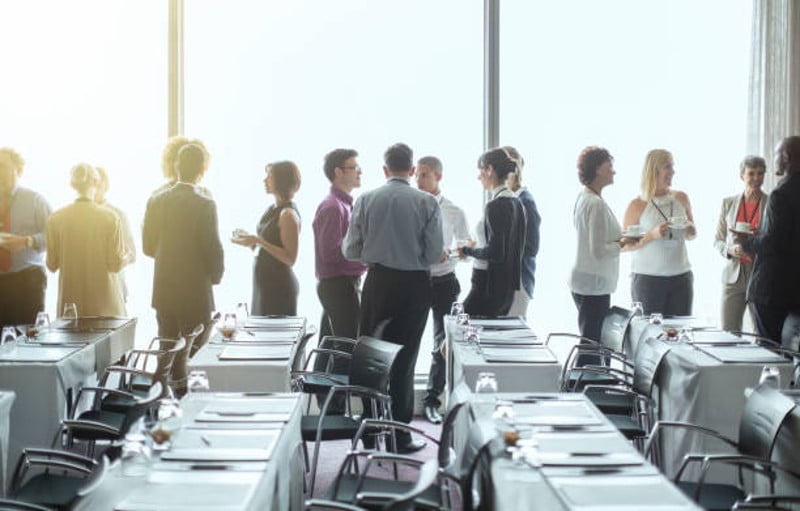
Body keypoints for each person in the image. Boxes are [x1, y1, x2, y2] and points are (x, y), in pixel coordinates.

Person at [343, 142, 443, 453]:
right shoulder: (427, 202)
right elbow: (434, 253)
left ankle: (370, 432)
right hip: (414, 286)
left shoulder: (366, 199)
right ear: (412, 170)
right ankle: (399, 437)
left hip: (378, 282)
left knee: (371, 359)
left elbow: (350, 250)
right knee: (405, 359)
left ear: (385, 170)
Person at [143, 143, 224, 396]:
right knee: (197, 355)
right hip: (195, 292)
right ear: (203, 169)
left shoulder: (156, 200)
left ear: (177, 166)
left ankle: (158, 404)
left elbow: (147, 247)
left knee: (166, 351)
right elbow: (213, 247)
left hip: (164, 289)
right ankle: (194, 404)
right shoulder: (204, 203)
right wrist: (216, 275)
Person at [415, 155, 469, 425]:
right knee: (408, 340)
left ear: (438, 177)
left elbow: (466, 250)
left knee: (441, 344)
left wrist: (450, 255)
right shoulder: (410, 206)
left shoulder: (454, 212)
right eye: (417, 174)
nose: (418, 179)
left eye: (424, 174)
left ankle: (432, 401)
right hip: (415, 281)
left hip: (444, 282)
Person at [569, 147, 636, 344]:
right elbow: (598, 251)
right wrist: (624, 242)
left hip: (585, 279)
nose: (614, 171)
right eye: (610, 166)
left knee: (591, 342)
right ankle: (585, 375)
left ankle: (586, 375)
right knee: (593, 345)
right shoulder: (595, 204)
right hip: (593, 284)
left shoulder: (584, 197)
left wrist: (620, 239)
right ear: (598, 169)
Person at [740, 136, 800, 342]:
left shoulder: (780, 194)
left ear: (785, 157)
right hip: (796, 291)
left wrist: (746, 242)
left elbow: (773, 242)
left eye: (776, 154)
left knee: (769, 352)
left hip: (773, 290)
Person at [46, 163, 126, 317]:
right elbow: (115, 265)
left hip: (70, 306)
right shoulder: (110, 217)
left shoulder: (56, 219)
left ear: (71, 184)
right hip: (105, 304)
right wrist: (127, 256)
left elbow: (51, 265)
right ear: (96, 183)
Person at [623, 149, 697, 316]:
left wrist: (690, 230)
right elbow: (623, 246)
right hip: (648, 280)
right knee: (649, 336)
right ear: (654, 170)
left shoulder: (682, 198)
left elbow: (692, 234)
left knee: (679, 335)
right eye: (668, 166)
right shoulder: (637, 205)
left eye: (672, 166)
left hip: (681, 277)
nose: (673, 171)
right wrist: (652, 235)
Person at [459, 148, 526, 317]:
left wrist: (466, 250)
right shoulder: (517, 203)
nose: (478, 177)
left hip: (486, 285)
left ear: (490, 170)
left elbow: (495, 252)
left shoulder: (495, 206)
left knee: (456, 326)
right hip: (507, 289)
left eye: (480, 171)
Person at [233, 161, 301, 316]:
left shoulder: (288, 214)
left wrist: (259, 241)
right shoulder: (272, 209)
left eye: (269, 176)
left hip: (278, 287)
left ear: (281, 180)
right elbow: (270, 243)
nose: (265, 180)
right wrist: (251, 241)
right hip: (265, 284)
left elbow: (290, 258)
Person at [313, 149, 367, 339]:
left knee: (329, 346)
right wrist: (367, 261)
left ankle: (320, 371)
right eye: (354, 167)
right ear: (338, 172)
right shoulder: (333, 207)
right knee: (347, 347)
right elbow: (331, 253)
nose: (359, 172)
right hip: (338, 285)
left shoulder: (343, 205)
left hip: (340, 285)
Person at [713, 156, 768, 332]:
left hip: (760, 273)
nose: (756, 179)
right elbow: (718, 240)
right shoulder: (728, 203)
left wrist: (756, 242)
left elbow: (774, 240)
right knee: (729, 332)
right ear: (741, 176)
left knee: (762, 332)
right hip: (733, 277)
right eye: (751, 174)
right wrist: (730, 250)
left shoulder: (771, 203)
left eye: (760, 174)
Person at [0, 148, 51, 328]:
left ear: (19, 170)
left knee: (28, 339)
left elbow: (52, 238)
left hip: (28, 282)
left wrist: (27, 241)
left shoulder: (35, 200)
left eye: (3, 167)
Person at [504, 146, 541, 316]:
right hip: (509, 280)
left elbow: (532, 246)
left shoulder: (525, 202)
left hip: (519, 280)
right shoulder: (509, 199)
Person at [95, 166, 136, 303]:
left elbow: (132, 253)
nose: (95, 189)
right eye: (92, 184)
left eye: (98, 184)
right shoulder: (76, 217)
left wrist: (122, 256)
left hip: (114, 287)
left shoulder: (118, 215)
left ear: (105, 185)